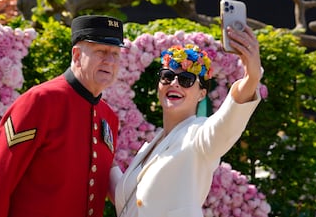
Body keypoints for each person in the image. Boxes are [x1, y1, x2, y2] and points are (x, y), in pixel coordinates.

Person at [0, 15, 125, 217]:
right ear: (76, 55)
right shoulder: (40, 101)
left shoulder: (108, 117)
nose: (110, 61)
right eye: (100, 51)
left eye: (115, 53)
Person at [111, 24, 263, 217]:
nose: (174, 83)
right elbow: (128, 202)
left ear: (202, 94)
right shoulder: (150, 146)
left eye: (186, 80)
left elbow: (226, 123)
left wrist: (251, 78)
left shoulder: (200, 137)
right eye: (167, 76)